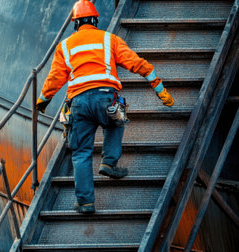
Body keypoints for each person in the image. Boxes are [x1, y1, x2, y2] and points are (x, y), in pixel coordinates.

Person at [35, 0, 174, 213]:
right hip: (106, 98)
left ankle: (85, 203)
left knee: (81, 153)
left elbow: (54, 78)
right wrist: (159, 88)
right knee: (117, 121)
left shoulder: (64, 46)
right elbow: (135, 62)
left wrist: (42, 101)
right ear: (96, 21)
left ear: (75, 23)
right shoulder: (109, 40)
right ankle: (109, 162)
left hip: (79, 104)